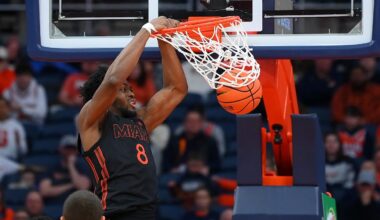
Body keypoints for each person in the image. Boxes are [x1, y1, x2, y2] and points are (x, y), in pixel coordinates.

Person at [77, 17, 187, 220]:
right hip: (113, 213)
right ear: (105, 97)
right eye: (124, 90)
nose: (132, 94)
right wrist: (148, 29)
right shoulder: (91, 119)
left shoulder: (141, 121)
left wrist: (164, 39)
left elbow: (176, 89)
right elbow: (112, 79)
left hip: (147, 212)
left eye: (131, 89)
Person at [164, 107, 221, 173]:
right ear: (184, 122)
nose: (193, 124)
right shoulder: (175, 141)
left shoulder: (210, 141)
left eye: (196, 121)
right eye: (190, 121)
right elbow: (166, 165)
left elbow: (217, 165)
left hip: (203, 177)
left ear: (201, 123)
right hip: (180, 177)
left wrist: (208, 169)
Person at [39, 135, 90, 204]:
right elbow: (44, 191)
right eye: (67, 148)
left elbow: (82, 187)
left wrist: (71, 165)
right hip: (54, 204)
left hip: (75, 205)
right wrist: (71, 185)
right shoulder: (52, 168)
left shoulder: (82, 167)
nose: (70, 151)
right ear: (61, 149)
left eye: (73, 148)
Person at [324, 132, 356, 203]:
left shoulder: (348, 162)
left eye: (334, 142)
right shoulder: (318, 162)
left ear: (340, 144)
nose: (331, 145)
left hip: (344, 198)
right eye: (328, 141)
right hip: (324, 196)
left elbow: (350, 185)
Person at [0, 96, 27, 160]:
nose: (0, 110)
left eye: (2, 107)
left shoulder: (16, 126)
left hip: (10, 160)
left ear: (8, 109)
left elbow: (24, 150)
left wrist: (18, 143)